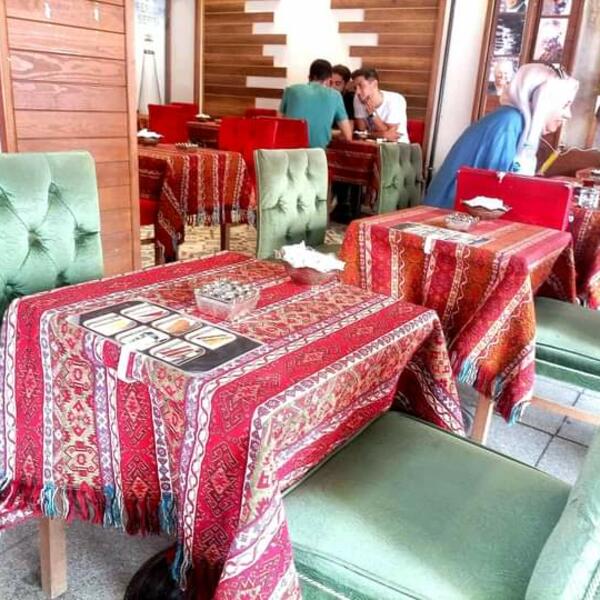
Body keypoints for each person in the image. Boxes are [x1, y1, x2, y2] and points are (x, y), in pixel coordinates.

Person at [424, 62, 579, 209]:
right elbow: (499, 190)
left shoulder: (515, 121)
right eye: (565, 105)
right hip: (447, 213)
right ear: (541, 100)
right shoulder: (509, 122)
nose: (568, 115)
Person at [279, 59, 352, 148]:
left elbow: (279, 122)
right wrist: (328, 132)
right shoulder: (335, 95)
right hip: (317, 152)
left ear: (309, 77)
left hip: (289, 150)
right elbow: (348, 135)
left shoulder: (290, 90)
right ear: (329, 80)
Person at [352, 68, 409, 142]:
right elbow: (361, 132)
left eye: (361, 86)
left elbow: (390, 137)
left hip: (398, 146)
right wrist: (382, 134)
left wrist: (373, 115)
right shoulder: (358, 98)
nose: (357, 92)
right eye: (355, 88)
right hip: (372, 144)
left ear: (374, 84)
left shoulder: (395, 100)